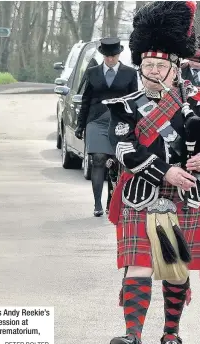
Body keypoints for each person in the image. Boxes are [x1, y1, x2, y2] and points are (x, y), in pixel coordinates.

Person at [103, 1, 200, 344]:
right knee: (139, 263)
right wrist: (164, 170)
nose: (151, 72)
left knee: (174, 269)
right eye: (146, 65)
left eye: (159, 66)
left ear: (175, 68)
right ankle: (132, 335)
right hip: (142, 194)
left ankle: (171, 334)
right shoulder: (127, 106)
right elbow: (124, 150)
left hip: (187, 196)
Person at [75, 37, 138, 217]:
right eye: (107, 56)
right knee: (99, 158)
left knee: (115, 162)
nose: (110, 59)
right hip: (96, 121)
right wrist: (80, 125)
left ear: (119, 55)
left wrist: (135, 125)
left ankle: (112, 201)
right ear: (103, 55)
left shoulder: (130, 74)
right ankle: (97, 204)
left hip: (119, 122)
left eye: (114, 56)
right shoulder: (93, 72)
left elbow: (134, 102)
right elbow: (86, 100)